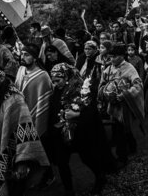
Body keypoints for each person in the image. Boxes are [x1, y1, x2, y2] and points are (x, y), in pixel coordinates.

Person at [0, 64, 49, 196]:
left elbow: (25, 129)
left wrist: (22, 161)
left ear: (1, 78)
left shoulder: (15, 99)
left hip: (10, 152)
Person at [49, 63, 115, 196]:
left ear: (66, 76)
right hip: (62, 134)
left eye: (58, 80)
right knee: (62, 162)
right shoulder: (56, 91)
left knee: (87, 158)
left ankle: (100, 177)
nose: (55, 84)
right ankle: (69, 190)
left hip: (81, 133)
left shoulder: (82, 89)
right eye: (53, 81)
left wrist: (76, 115)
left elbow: (92, 112)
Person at [99, 44, 144, 165]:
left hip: (125, 106)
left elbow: (138, 85)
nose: (111, 59)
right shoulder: (108, 69)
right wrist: (105, 91)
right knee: (121, 129)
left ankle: (122, 158)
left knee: (121, 130)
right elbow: (102, 83)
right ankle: (132, 146)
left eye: (114, 56)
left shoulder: (129, 68)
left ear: (122, 56)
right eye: (110, 56)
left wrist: (125, 94)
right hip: (112, 105)